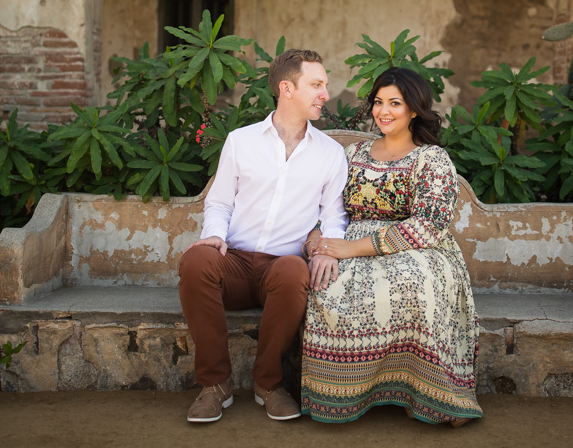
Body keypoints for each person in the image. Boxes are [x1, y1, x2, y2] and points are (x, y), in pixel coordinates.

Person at [300, 67, 483, 426]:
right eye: (378, 102)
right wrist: (315, 239)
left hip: (416, 248)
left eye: (395, 103)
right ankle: (344, 393)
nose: (383, 111)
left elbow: (430, 224)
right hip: (346, 240)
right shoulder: (353, 154)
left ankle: (440, 395)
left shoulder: (431, 159)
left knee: (415, 285)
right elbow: (324, 206)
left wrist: (353, 249)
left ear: (414, 109)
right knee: (327, 286)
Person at [178, 49, 347, 423]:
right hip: (234, 263)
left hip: (281, 270)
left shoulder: (331, 154)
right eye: (316, 85)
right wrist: (214, 237)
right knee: (195, 260)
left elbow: (334, 215)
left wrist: (327, 250)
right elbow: (219, 202)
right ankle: (214, 385)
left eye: (325, 85)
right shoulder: (241, 141)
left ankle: (268, 384)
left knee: (293, 271)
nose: (325, 94)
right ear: (287, 88)